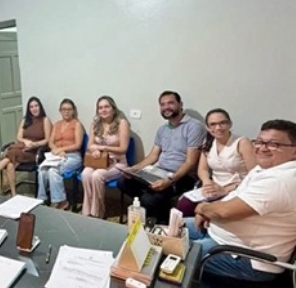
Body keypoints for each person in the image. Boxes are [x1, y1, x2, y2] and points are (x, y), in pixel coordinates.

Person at [186, 120, 296, 288]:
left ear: (295, 151)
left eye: (273, 144)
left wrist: (202, 208)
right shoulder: (268, 169)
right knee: (175, 228)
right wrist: (208, 212)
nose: (262, 148)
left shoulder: (281, 181)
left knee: (179, 254)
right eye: (260, 141)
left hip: (249, 259)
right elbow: (232, 200)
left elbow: (224, 212)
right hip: (228, 237)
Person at [119, 90, 206, 223]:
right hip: (159, 171)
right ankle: (158, 212)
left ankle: (161, 219)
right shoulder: (162, 129)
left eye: (170, 103)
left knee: (149, 199)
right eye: (162, 104)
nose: (166, 107)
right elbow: (153, 156)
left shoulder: (194, 127)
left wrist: (169, 180)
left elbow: (190, 162)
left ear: (180, 104)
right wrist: (133, 169)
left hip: (182, 176)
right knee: (123, 182)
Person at [176, 108, 256, 216]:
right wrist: (206, 182)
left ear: (230, 124)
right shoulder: (209, 143)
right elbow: (202, 169)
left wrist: (226, 189)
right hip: (214, 188)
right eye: (213, 124)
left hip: (238, 188)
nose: (218, 128)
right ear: (207, 127)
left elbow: (254, 174)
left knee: (209, 211)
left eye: (222, 123)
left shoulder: (242, 142)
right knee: (184, 205)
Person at [0, 96, 52, 196]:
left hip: (35, 151)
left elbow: (47, 140)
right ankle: (13, 194)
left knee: (12, 153)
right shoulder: (25, 120)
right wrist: (26, 141)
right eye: (31, 107)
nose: (34, 109)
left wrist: (35, 144)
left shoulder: (45, 120)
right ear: (29, 109)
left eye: (36, 106)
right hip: (22, 147)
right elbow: (19, 137)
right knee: (10, 165)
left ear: (40, 107)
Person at [80, 96, 130, 218]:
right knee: (85, 174)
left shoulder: (122, 123)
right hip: (99, 161)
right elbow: (90, 145)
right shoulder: (95, 124)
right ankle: (87, 211)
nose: (103, 110)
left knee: (96, 176)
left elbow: (123, 149)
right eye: (100, 107)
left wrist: (103, 148)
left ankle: (97, 213)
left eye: (106, 107)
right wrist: (95, 150)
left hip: (117, 162)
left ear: (113, 108)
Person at [36, 98, 84, 210]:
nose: (66, 112)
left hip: (73, 156)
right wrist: (56, 150)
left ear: (73, 111)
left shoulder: (77, 125)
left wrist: (62, 150)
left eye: (69, 109)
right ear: (60, 111)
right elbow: (50, 142)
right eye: (64, 109)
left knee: (53, 171)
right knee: (42, 169)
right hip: (56, 156)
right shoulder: (57, 125)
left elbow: (78, 145)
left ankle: (62, 201)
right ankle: (42, 199)